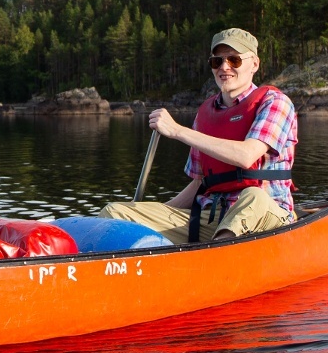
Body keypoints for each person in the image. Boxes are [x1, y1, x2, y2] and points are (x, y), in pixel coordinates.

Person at [98, 27, 297, 245]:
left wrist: (177, 131)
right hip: (211, 216)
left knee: (253, 196)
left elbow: (246, 155)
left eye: (234, 60)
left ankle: (217, 257)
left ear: (255, 64)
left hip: (267, 215)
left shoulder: (275, 103)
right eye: (217, 61)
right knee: (116, 212)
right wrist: (153, 214)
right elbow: (200, 183)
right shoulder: (205, 114)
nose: (224, 67)